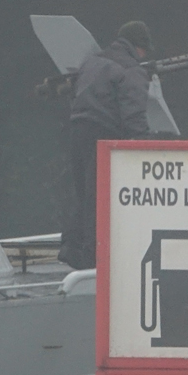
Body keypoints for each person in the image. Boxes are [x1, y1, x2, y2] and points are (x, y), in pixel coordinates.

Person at [59, 21, 153, 269]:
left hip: (78, 129)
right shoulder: (131, 70)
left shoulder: (93, 61)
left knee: (84, 193)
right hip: (102, 135)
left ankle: (71, 246)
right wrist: (144, 147)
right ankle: (93, 259)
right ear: (140, 47)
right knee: (100, 196)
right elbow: (134, 116)